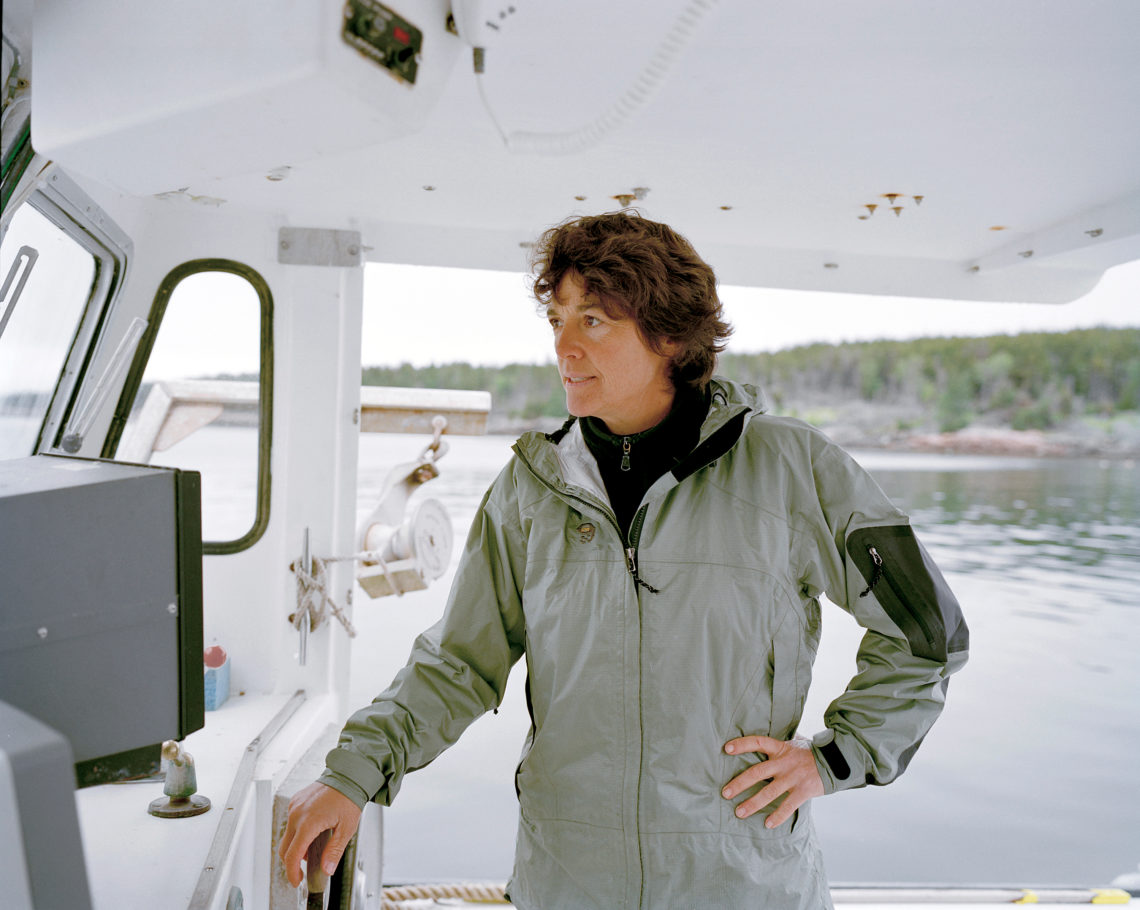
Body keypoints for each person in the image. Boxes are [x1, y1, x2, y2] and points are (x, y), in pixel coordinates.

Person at [279, 211, 969, 909]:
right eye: (557, 320)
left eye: (593, 321)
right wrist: (353, 773)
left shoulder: (790, 467)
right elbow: (459, 663)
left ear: (668, 334)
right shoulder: (531, 485)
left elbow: (927, 633)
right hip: (568, 881)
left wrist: (834, 758)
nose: (564, 347)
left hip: (741, 883)